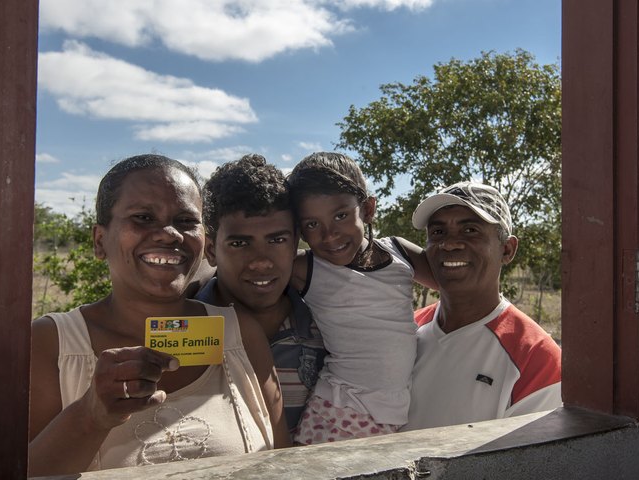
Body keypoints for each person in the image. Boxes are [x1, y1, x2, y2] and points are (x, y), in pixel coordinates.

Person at [28, 154, 290, 477]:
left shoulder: (239, 334)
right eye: (142, 218)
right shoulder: (51, 344)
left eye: (185, 221)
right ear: (99, 241)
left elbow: (286, 465)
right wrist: (90, 416)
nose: (168, 234)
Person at [287, 152, 436, 445]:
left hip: (393, 412)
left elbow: (454, 283)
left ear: (368, 209)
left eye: (341, 216)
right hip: (337, 411)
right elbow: (242, 272)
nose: (329, 234)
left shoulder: (399, 252)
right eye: (312, 225)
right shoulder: (307, 267)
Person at [401, 181, 562, 431]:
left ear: (507, 249)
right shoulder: (405, 330)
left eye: (471, 231)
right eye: (438, 233)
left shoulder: (535, 356)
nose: (450, 244)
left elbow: (530, 464)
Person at [193, 153, 327, 435]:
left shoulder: (329, 326)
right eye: (240, 243)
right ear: (211, 250)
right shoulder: (178, 328)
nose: (261, 262)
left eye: (277, 240)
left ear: (295, 245)